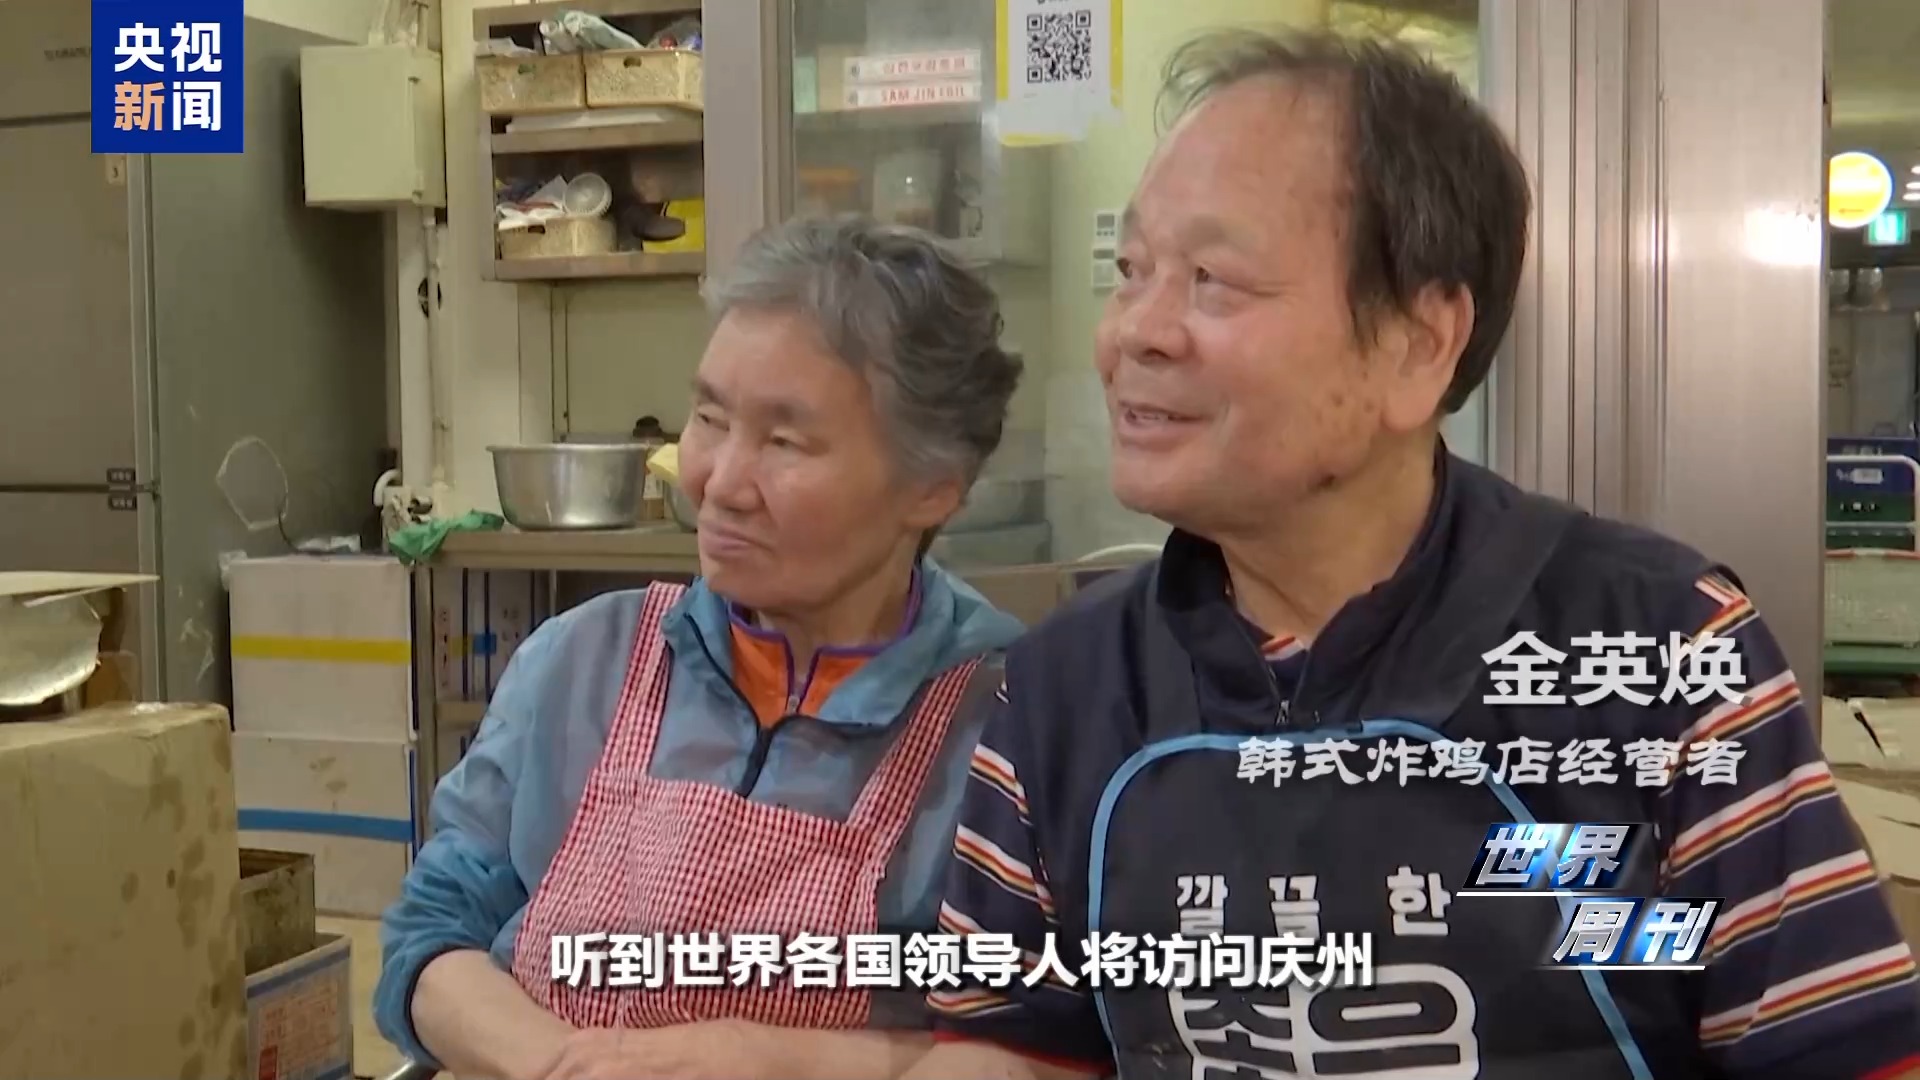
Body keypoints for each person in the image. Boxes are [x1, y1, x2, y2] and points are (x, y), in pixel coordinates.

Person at [908, 28, 1920, 1080]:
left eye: (1212, 278)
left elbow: (1845, 1056)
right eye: (1133, 273)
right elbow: (1008, 1052)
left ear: (1417, 344)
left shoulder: (1662, 652)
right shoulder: (1065, 688)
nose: (1135, 333)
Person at [374, 215, 1028, 1080]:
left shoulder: (1012, 726)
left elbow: (1032, 1043)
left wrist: (765, 1061)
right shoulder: (585, 660)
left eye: (785, 441)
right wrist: (566, 1066)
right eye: (711, 418)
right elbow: (431, 934)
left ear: (933, 488)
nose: (718, 481)